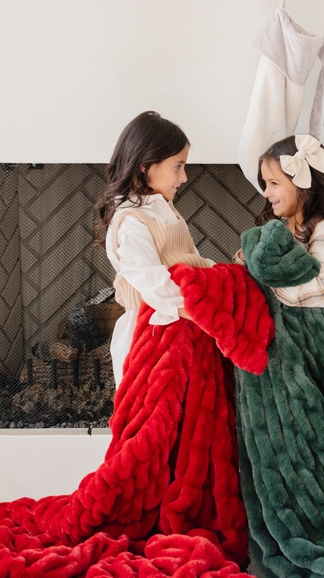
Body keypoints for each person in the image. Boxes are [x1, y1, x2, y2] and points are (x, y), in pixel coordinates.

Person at [93, 111, 213, 387]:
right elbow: (155, 283)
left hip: (182, 329)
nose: (183, 177)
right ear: (147, 165)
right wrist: (206, 314)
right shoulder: (131, 222)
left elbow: (194, 262)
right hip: (151, 336)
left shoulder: (164, 209)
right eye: (178, 166)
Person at [234, 134, 324, 359]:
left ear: (304, 186)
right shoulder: (277, 231)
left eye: (274, 183)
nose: (266, 192)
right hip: (284, 346)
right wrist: (245, 256)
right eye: (265, 184)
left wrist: (271, 281)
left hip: (319, 351)